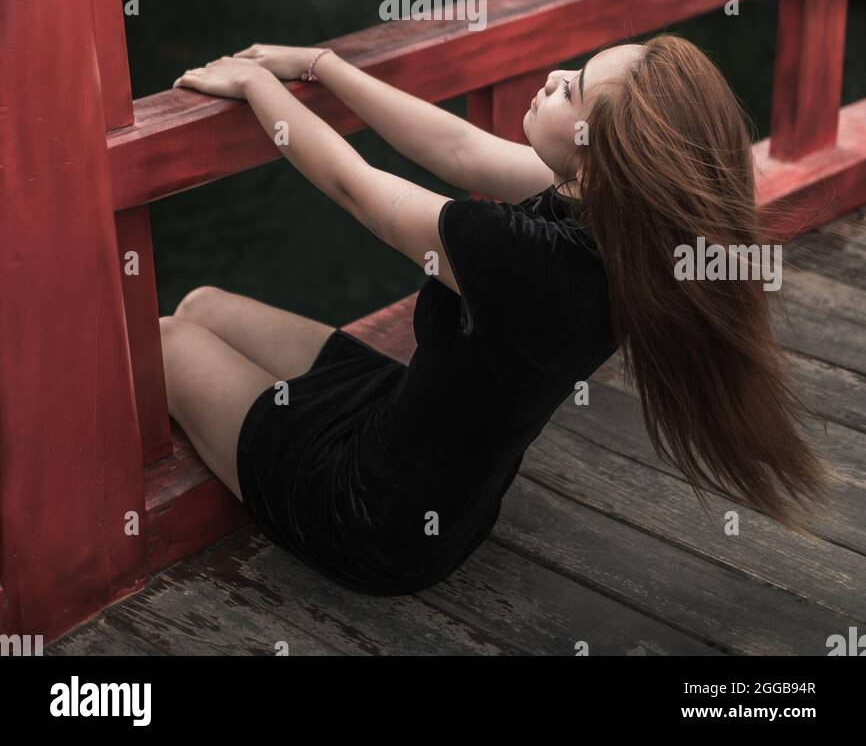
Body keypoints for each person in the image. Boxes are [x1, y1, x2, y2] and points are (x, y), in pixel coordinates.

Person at [161, 35, 829, 596]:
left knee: (164, 339)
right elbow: (454, 147)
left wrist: (253, 83)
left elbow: (352, 185)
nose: (554, 77)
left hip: (368, 515)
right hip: (417, 461)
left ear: (601, 156)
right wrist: (321, 66)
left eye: (572, 90)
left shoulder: (522, 258)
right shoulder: (628, 230)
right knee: (202, 307)